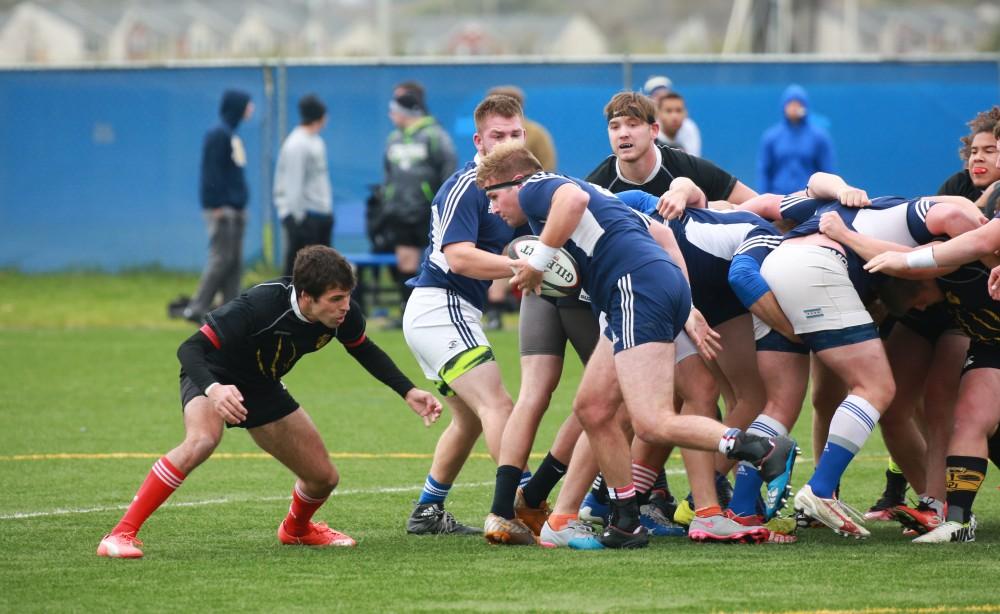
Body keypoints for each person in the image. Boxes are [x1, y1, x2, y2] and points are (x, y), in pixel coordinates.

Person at [478, 141, 797, 549]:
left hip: (634, 288)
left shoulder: (539, 185)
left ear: (517, 181)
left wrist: (539, 260)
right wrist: (687, 305)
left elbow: (571, 201)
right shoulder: (595, 193)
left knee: (651, 420)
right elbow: (661, 235)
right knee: (593, 408)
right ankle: (625, 519)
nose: (493, 207)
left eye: (493, 195)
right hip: (644, 287)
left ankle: (760, 448)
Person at [97, 246, 442, 558]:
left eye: (347, 296)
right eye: (336, 299)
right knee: (202, 440)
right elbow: (190, 349)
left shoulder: (343, 315)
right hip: (213, 372)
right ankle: (120, 535)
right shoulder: (259, 305)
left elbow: (363, 349)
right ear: (306, 296)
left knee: (323, 478)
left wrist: (408, 391)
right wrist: (215, 389)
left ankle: (296, 530)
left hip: (262, 385)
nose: (345, 307)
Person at [401, 94, 526, 539]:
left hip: (451, 311)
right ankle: (527, 504)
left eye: (515, 134)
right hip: (440, 306)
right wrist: (521, 266)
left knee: (471, 418)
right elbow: (458, 257)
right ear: (479, 140)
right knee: (498, 405)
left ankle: (427, 511)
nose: (508, 143)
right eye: (498, 136)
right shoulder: (466, 185)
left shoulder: (524, 185)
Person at [383, 83, 457, 323]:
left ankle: (438, 310)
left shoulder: (434, 135)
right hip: (401, 211)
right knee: (405, 260)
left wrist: (440, 200)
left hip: (427, 210)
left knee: (434, 259)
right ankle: (406, 311)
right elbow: (388, 172)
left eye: (394, 110)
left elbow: (448, 168)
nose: (391, 116)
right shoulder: (393, 139)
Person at [182, 90, 254, 324]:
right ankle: (197, 307)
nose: (251, 108)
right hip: (223, 210)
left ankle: (231, 308)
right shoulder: (218, 134)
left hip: (235, 208)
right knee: (221, 258)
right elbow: (210, 171)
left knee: (234, 261)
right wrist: (215, 204)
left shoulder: (231, 134)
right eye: (247, 104)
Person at [273, 94, 334, 277]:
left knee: (322, 272)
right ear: (320, 116)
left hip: (320, 214)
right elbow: (293, 183)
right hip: (306, 217)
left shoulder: (316, 141)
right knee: (300, 272)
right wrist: (297, 218)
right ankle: (289, 305)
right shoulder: (296, 144)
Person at [756, 84, 836, 196]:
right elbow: (764, 171)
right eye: (791, 104)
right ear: (784, 106)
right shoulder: (771, 137)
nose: (794, 108)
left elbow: (827, 172)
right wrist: (762, 197)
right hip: (778, 198)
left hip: (808, 199)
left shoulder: (819, 137)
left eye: (798, 104)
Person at [642, 75, 701, 156]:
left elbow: (693, 163)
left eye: (678, 110)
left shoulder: (689, 127)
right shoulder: (647, 129)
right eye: (668, 111)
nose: (674, 116)